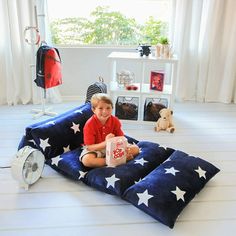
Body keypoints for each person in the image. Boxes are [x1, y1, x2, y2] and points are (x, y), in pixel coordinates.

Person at [79, 93, 139, 168]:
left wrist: (124, 147)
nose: (105, 111)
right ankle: (111, 161)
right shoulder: (89, 124)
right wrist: (106, 143)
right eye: (100, 108)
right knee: (87, 160)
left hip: (115, 148)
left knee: (136, 149)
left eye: (108, 108)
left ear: (112, 108)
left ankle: (118, 159)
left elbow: (121, 137)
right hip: (97, 149)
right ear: (94, 110)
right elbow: (89, 147)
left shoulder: (115, 121)